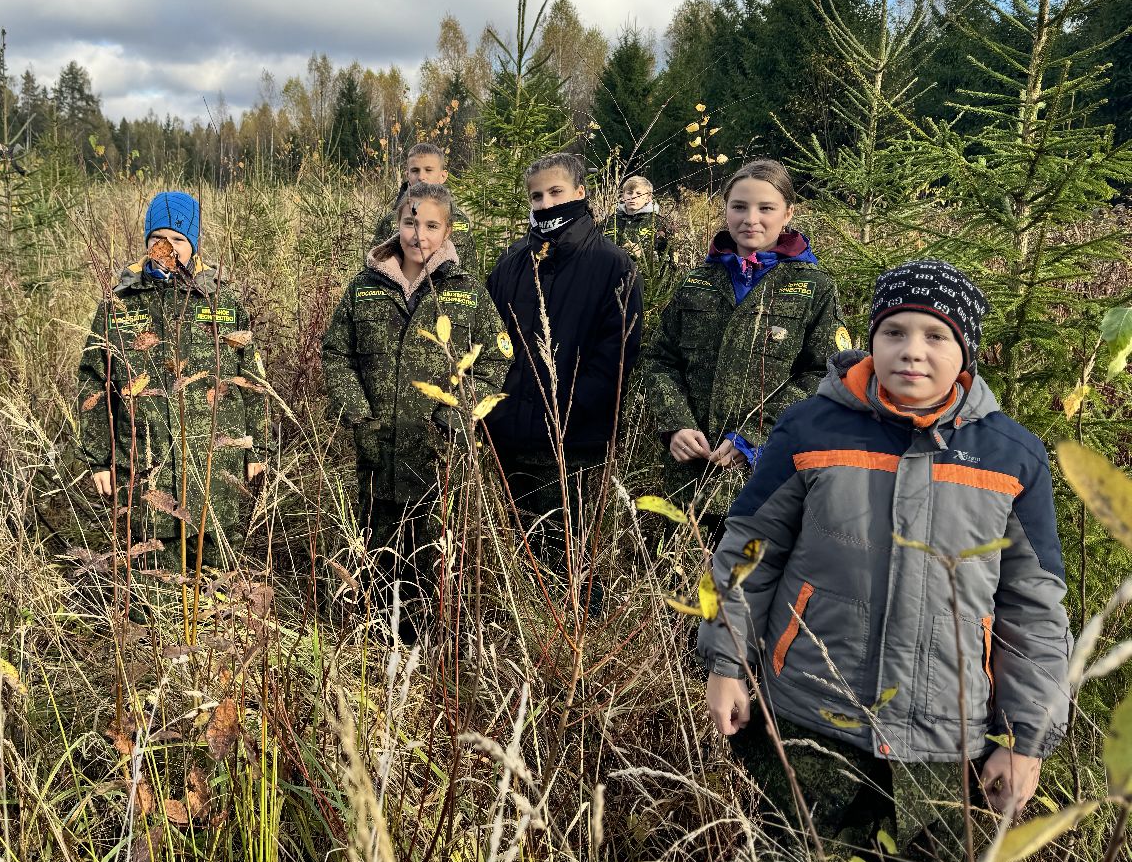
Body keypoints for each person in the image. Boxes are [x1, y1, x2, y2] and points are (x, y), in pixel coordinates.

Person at [700, 260, 1071, 854]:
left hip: (947, 739)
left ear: (965, 351)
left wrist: (1023, 738)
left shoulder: (1011, 455)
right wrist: (725, 664)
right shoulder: (809, 428)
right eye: (894, 332)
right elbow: (746, 553)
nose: (911, 352)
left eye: (935, 335)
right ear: (871, 338)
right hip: (810, 712)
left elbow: (1035, 609)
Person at [323, 182, 509, 640]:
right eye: (410, 223)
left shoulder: (466, 292)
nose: (418, 235)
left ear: (446, 231)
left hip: (439, 458)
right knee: (379, 549)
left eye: (430, 225)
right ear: (396, 225)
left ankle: (433, 645)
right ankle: (377, 640)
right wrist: (359, 417)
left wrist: (455, 415)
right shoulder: (363, 289)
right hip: (377, 454)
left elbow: (497, 359)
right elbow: (335, 354)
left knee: (437, 554)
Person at [77, 192, 266, 576]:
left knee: (215, 581)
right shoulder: (118, 305)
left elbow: (253, 380)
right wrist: (99, 458)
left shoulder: (223, 301)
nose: (167, 248)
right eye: (157, 238)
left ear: (193, 245)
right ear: (146, 243)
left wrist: (256, 448)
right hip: (145, 465)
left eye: (178, 240)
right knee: (152, 579)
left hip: (215, 467)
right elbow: (94, 382)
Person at [642, 159, 847, 512]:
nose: (750, 218)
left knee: (754, 564)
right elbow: (660, 359)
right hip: (689, 477)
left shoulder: (814, 287)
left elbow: (825, 375)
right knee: (686, 564)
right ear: (726, 210)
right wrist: (676, 424)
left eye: (766, 208)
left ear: (788, 213)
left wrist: (754, 437)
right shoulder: (697, 282)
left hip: (769, 476)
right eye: (739, 207)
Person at [484, 152, 643, 579]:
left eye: (556, 192)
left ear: (580, 192)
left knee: (568, 556)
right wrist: (494, 408)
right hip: (506, 432)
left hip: (571, 440)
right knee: (518, 552)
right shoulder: (511, 262)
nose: (547, 203)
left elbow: (617, 356)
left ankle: (574, 635)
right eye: (537, 196)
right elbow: (485, 341)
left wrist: (569, 407)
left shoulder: (612, 265)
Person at [371, 143, 477, 264]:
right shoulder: (391, 221)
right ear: (408, 175)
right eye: (415, 171)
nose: (421, 177)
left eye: (428, 170)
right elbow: (374, 265)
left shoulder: (458, 220)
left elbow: (468, 270)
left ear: (443, 176)